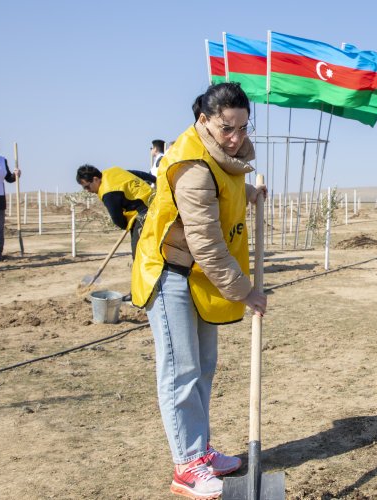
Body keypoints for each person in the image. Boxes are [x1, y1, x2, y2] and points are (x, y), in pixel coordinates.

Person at [130, 82, 265, 500]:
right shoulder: (190, 164)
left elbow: (222, 191)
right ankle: (187, 467)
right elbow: (205, 240)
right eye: (228, 128)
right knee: (181, 370)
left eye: (243, 128)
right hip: (169, 273)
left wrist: (249, 193)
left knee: (204, 366)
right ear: (203, 120)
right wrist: (245, 291)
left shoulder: (219, 157)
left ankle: (200, 449)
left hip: (197, 276)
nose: (237, 137)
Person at [76, 166, 155, 259]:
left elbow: (117, 218)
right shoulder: (112, 172)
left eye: (87, 187)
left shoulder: (108, 192)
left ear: (95, 179)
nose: (87, 191)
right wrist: (155, 179)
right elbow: (138, 174)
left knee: (138, 255)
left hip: (144, 214)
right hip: (155, 202)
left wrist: (127, 226)